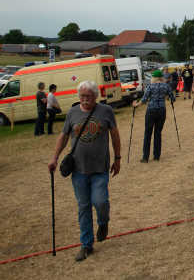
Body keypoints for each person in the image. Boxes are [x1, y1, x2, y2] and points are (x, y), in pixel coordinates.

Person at [49, 80, 121, 262]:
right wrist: (55, 158)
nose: (85, 99)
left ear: (95, 96)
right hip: (79, 170)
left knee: (100, 202)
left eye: (88, 96)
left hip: (100, 168)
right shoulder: (72, 113)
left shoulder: (106, 111)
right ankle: (86, 244)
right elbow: (64, 136)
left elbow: (114, 134)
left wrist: (118, 158)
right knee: (83, 207)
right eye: (82, 96)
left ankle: (103, 222)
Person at [133, 70, 173, 162]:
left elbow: (144, 100)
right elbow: (172, 98)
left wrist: (136, 104)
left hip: (151, 110)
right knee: (158, 133)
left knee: (148, 133)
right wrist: (166, 97)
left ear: (154, 78)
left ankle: (145, 157)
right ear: (161, 77)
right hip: (162, 110)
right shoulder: (166, 86)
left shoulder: (150, 86)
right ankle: (156, 156)